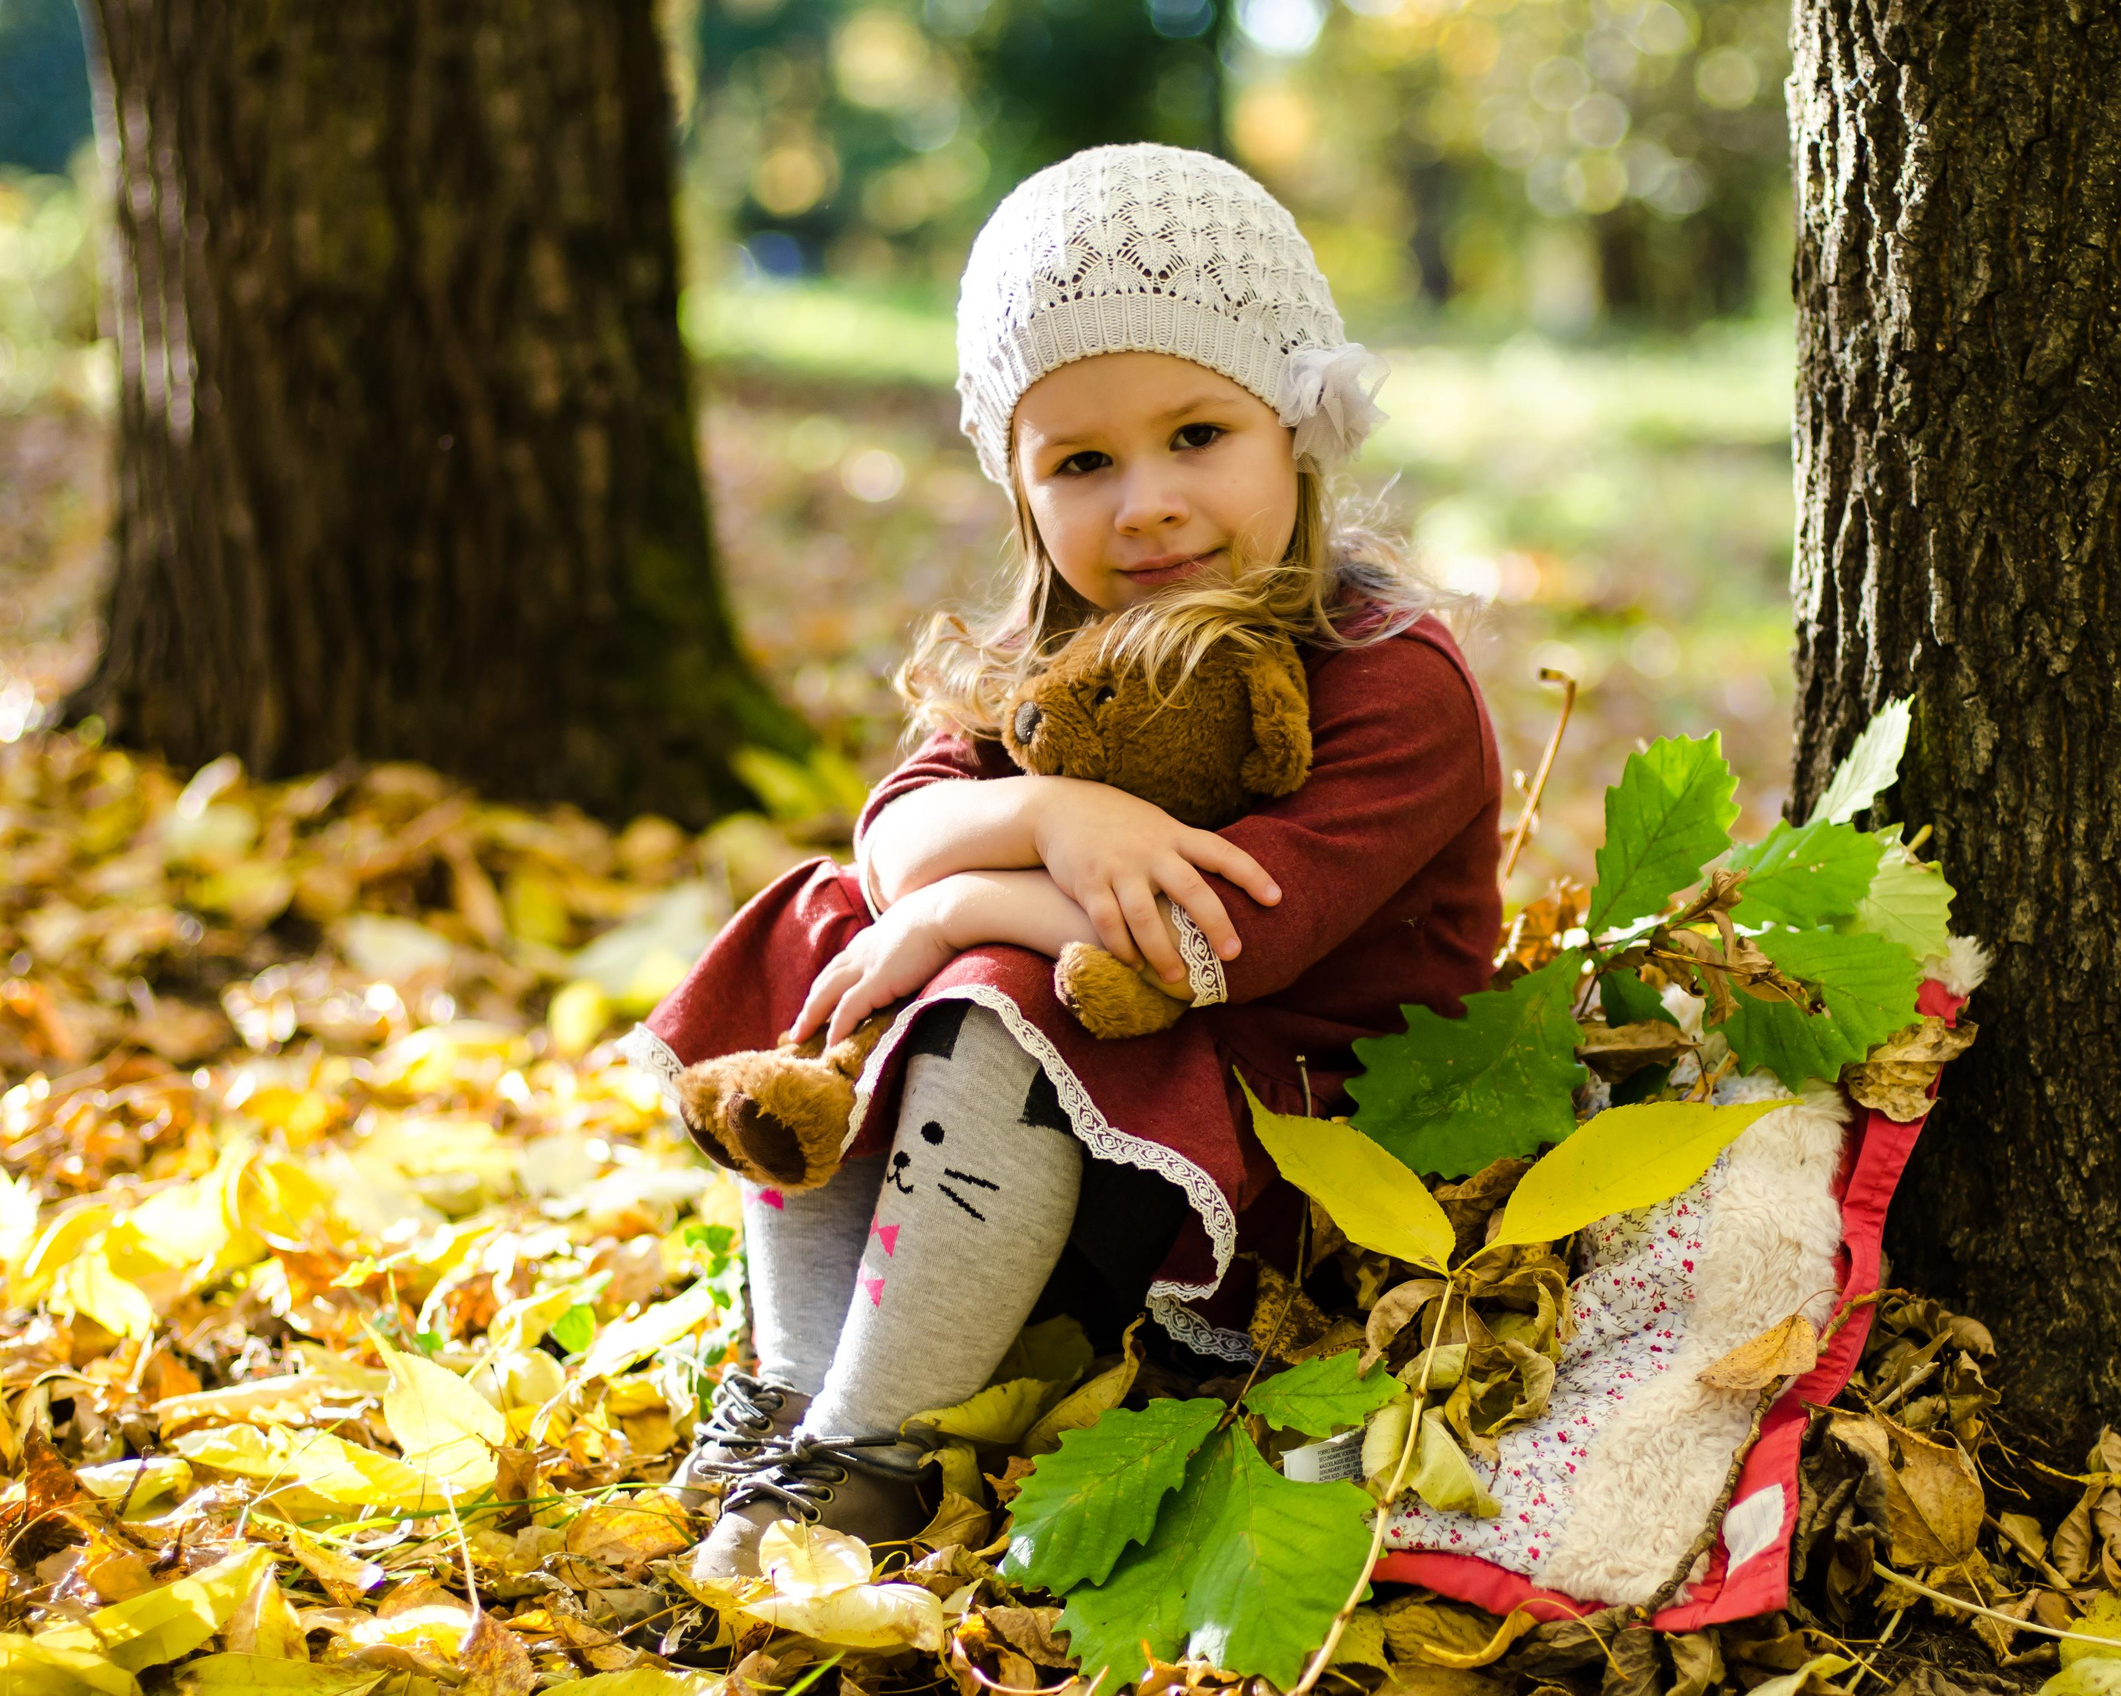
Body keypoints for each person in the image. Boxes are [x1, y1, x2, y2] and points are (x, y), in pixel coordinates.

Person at [628, 143, 1505, 1580]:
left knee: (986, 981)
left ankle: (875, 1449)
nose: (1144, 502)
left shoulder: (1386, 671)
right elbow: (891, 829)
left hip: (1299, 1151)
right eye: (1083, 462)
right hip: (1084, 1152)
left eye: (1196, 436)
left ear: (1295, 423)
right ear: (1023, 487)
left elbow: (1223, 941)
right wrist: (1040, 818)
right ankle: (795, 1389)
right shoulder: (1055, 662)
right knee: (827, 918)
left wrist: (974, 901)